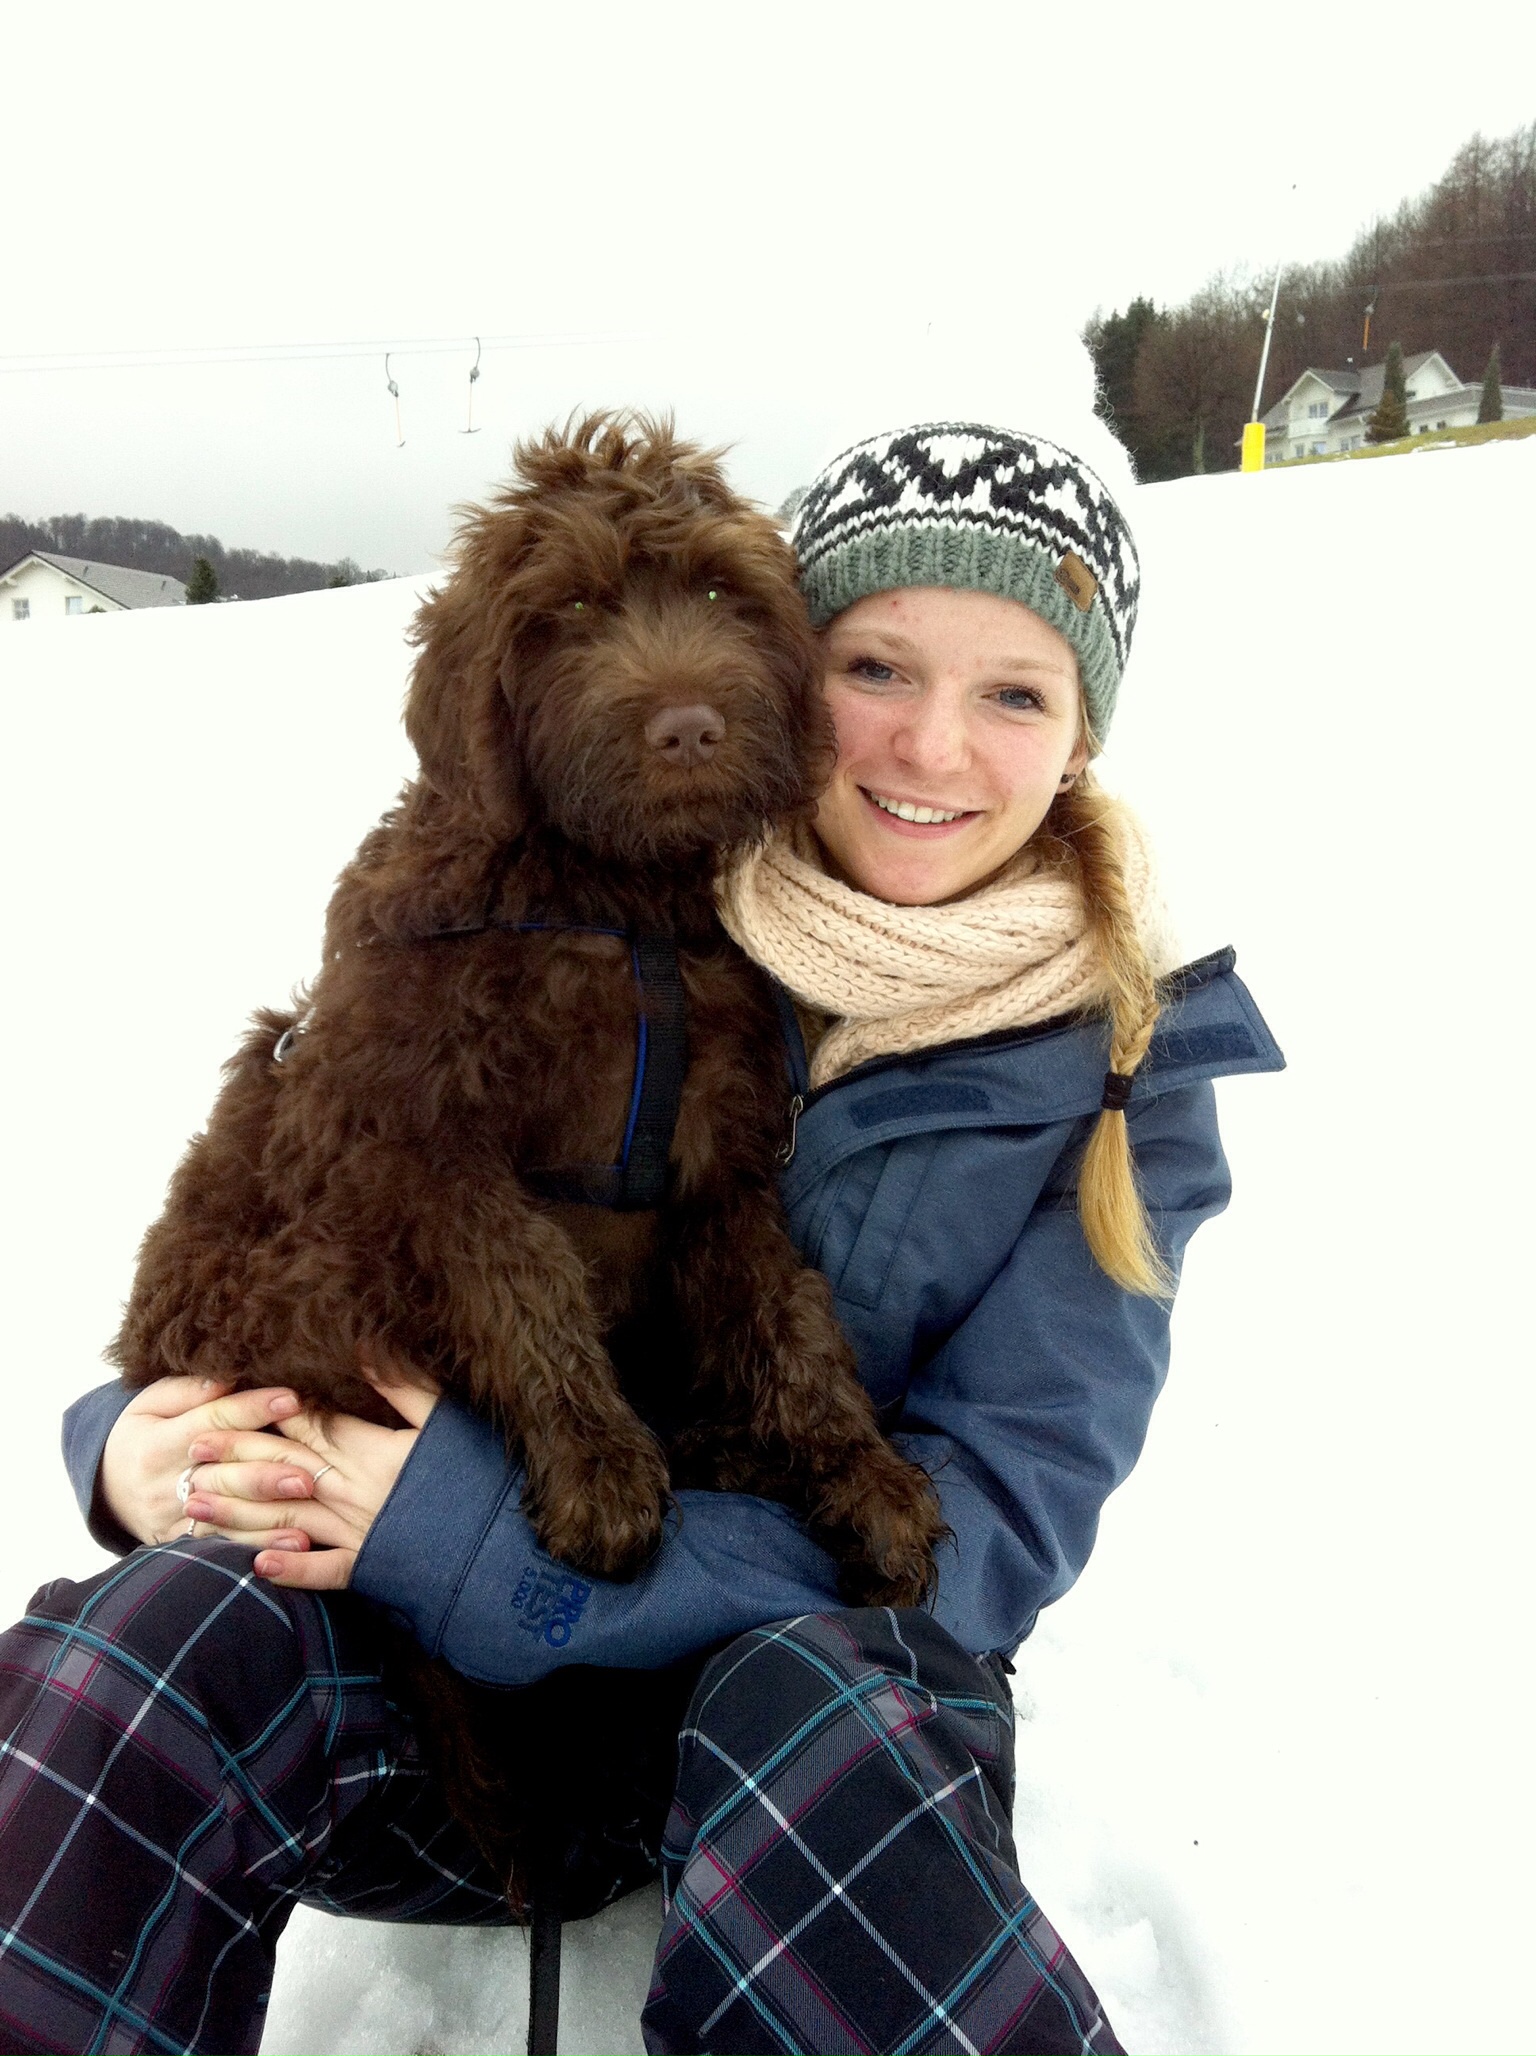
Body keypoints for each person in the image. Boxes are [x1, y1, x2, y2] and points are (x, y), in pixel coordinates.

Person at [1, 421, 1282, 2056]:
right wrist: (133, 1445)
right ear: (803, 668)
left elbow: (978, 1544)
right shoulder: (604, 893)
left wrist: (499, 1556)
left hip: (803, 1749)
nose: (933, 744)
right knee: (147, 1654)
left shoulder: (1125, 1081)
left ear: (1086, 732)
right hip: (444, 1725)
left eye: (1016, 693)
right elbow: (324, 1177)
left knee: (819, 1697)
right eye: (877, 667)